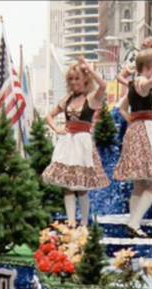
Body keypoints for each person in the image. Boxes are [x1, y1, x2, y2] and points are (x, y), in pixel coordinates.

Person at [42, 58, 110, 227]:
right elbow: (49, 116)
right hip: (67, 143)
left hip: (82, 143)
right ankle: (71, 222)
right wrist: (57, 129)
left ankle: (85, 223)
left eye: (77, 78)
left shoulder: (92, 98)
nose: (74, 82)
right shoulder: (67, 99)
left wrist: (89, 69)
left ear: (85, 80)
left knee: (82, 185)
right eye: (71, 79)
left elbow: (103, 85)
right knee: (67, 185)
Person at [115, 48, 152, 238]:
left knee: (139, 183)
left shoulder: (133, 83)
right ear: (148, 67)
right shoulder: (142, 82)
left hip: (137, 129)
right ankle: (134, 222)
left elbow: (121, 108)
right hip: (146, 129)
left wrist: (133, 119)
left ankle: (134, 223)